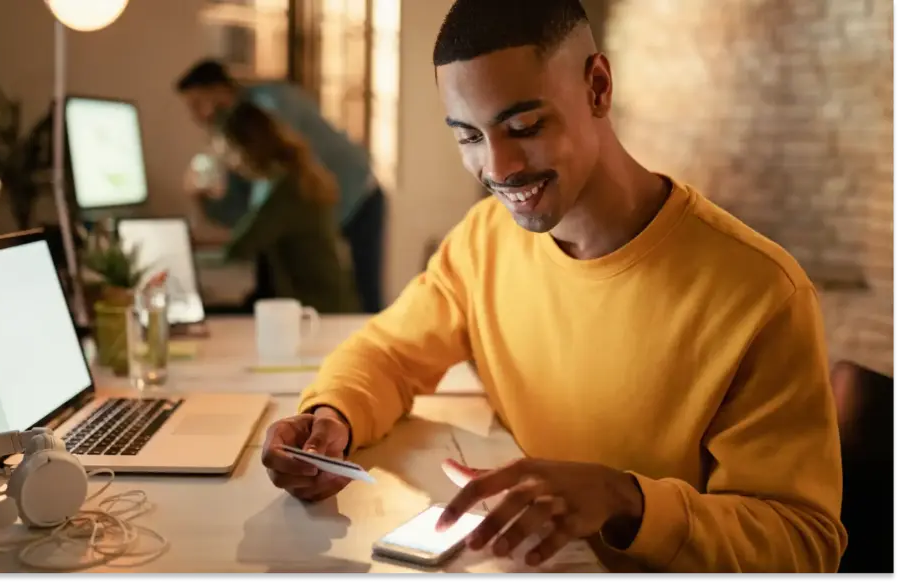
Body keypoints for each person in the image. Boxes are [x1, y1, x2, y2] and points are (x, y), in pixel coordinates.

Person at [258, 0, 846, 574]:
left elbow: (803, 543)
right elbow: (388, 352)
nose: (499, 167)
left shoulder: (762, 294)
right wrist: (333, 418)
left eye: (524, 126)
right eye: (468, 137)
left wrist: (627, 501)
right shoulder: (485, 240)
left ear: (598, 87)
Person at [176, 60, 385, 314]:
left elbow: (261, 211)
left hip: (359, 194)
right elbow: (242, 213)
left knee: (363, 296)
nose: (197, 116)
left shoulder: (269, 107)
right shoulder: (242, 133)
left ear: (220, 90)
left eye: (198, 104)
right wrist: (205, 201)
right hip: (324, 199)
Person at [211, 102, 361, 314]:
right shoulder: (287, 176)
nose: (230, 163)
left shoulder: (284, 190)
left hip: (319, 310)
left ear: (246, 147)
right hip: (326, 302)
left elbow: (240, 248)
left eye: (229, 152)